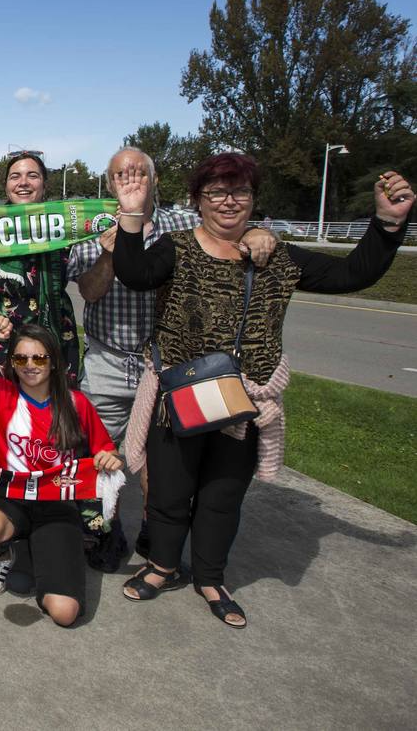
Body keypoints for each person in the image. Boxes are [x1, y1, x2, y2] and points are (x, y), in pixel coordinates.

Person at [111, 156, 412, 628]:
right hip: (181, 398)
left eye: (240, 193)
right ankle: (163, 566)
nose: (228, 201)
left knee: (222, 495)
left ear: (253, 200)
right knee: (169, 492)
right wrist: (132, 213)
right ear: (198, 202)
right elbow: (134, 273)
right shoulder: (179, 248)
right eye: (216, 192)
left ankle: (211, 578)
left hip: (243, 404)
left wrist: (389, 224)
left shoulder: (280, 256)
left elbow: (352, 274)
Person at [67, 147, 277, 559]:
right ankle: (101, 528)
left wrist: (255, 234)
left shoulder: (184, 223)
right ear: (109, 184)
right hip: (107, 359)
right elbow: (89, 292)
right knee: (95, 452)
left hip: (168, 364)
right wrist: (112, 252)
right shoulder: (95, 230)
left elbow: (229, 236)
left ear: (155, 179)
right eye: (120, 174)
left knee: (161, 463)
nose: (130, 180)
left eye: (139, 172)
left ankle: (154, 535)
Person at [0, 316, 123, 626]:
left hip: (57, 505)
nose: (30, 364)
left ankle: (37, 550)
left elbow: (106, 450)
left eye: (39, 357)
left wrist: (110, 459)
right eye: (21, 357)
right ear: (12, 362)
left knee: (65, 613)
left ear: (53, 361)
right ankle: (4, 554)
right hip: (11, 498)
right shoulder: (1, 393)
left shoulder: (76, 403)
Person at [0, 152, 79, 381]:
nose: (23, 182)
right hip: (0, 338)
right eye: (15, 176)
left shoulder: (65, 226)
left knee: (53, 413)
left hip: (54, 336)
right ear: (6, 186)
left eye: (32, 175)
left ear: (44, 185)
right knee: (1, 411)